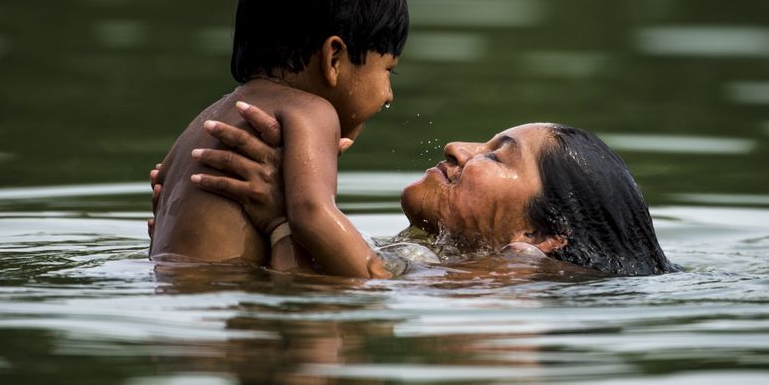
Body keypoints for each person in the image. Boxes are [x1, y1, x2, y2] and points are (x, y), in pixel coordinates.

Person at [153, 103, 677, 277]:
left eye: (496, 155)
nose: (456, 147)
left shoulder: (502, 288)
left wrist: (283, 217)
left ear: (540, 234)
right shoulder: (450, 266)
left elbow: (323, 308)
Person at [150, 0, 408, 278]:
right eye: (388, 70)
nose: (389, 94)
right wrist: (377, 276)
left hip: (169, 300)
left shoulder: (204, 121)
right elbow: (312, 214)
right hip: (229, 306)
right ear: (333, 58)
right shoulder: (312, 112)